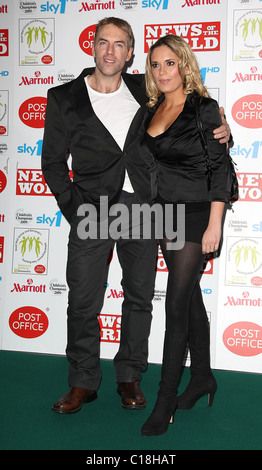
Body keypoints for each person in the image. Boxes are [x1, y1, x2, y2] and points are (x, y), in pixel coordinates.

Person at [41, 17, 231, 415]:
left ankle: (129, 375)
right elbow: (53, 163)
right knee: (82, 301)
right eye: (103, 42)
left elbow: (187, 114)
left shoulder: (144, 91)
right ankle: (82, 381)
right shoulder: (62, 97)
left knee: (139, 298)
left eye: (120, 44)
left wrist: (222, 127)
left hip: (145, 208)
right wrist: (76, 210)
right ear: (92, 47)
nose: (110, 51)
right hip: (91, 209)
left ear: (130, 54)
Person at [140, 34, 232, 436]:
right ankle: (203, 378)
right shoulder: (153, 107)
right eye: (155, 65)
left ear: (185, 65)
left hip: (197, 216)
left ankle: (165, 400)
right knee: (189, 297)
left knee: (175, 306)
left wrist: (215, 224)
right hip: (165, 213)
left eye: (170, 63)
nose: (162, 72)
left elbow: (221, 169)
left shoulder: (204, 109)